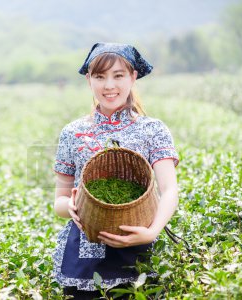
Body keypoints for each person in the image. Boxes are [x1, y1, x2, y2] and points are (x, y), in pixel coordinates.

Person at [53, 42, 180, 299]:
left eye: (118, 75)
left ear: (133, 77)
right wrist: (74, 207)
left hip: (139, 247)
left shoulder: (152, 130)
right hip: (83, 259)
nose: (109, 86)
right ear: (89, 80)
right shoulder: (73, 133)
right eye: (100, 76)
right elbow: (59, 202)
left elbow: (169, 190)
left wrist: (151, 232)